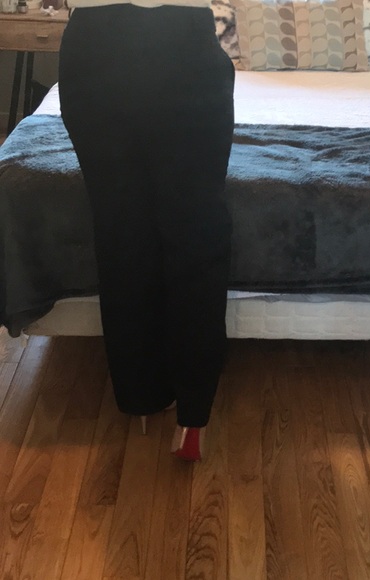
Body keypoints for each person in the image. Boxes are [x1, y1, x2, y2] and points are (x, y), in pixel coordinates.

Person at [58, 0, 235, 460]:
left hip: (93, 46)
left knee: (121, 233)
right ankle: (192, 415)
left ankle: (140, 394)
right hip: (183, 43)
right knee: (197, 238)